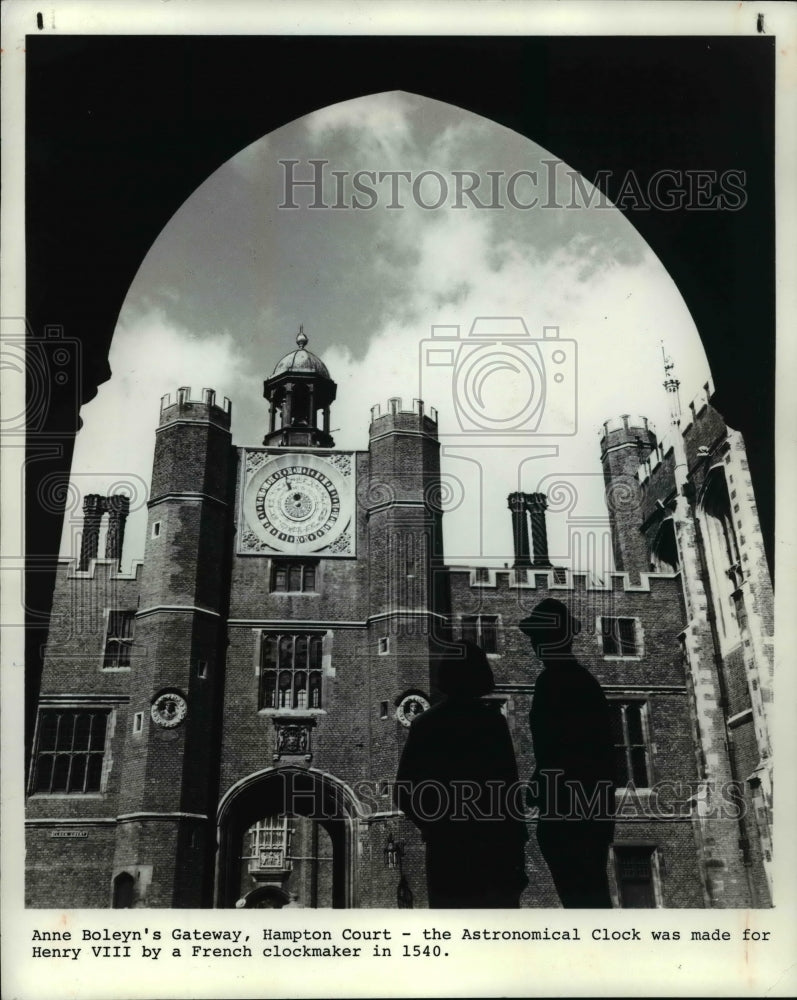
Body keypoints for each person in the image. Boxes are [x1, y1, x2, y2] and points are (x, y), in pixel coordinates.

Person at [394, 641, 528, 908]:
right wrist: (516, 849)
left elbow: (403, 791)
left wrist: (434, 826)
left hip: (447, 851)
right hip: (493, 848)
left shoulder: (425, 724)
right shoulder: (492, 722)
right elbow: (507, 792)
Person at [519, 598, 616, 908]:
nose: (533, 643)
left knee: (584, 901)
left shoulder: (556, 682)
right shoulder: (579, 681)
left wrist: (542, 786)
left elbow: (567, 752)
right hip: (587, 809)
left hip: (571, 814)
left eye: (537, 635)